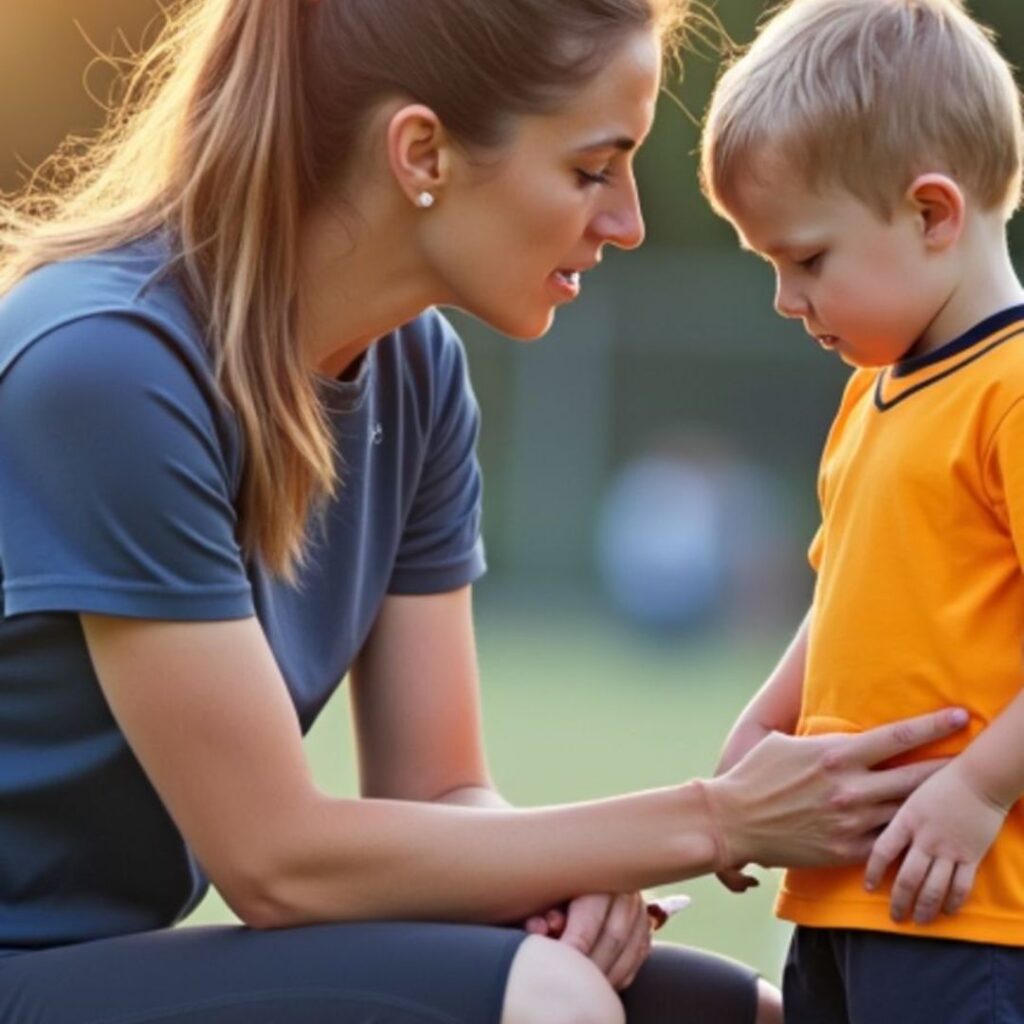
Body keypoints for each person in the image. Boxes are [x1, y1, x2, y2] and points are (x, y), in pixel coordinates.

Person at [0, 1, 970, 1022]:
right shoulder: (106, 365)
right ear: (422, 152)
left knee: (732, 1013)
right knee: (548, 999)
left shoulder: (417, 373)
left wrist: (560, 891)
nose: (627, 221)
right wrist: (716, 820)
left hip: (118, 964)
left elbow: (437, 792)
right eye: (594, 167)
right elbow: (278, 860)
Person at [701, 0, 1024, 1020]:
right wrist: (767, 717)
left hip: (971, 910)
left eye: (806, 260)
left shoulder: (1010, 391)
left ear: (932, 213)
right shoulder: (872, 394)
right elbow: (847, 588)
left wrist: (976, 789)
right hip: (846, 892)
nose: (787, 300)